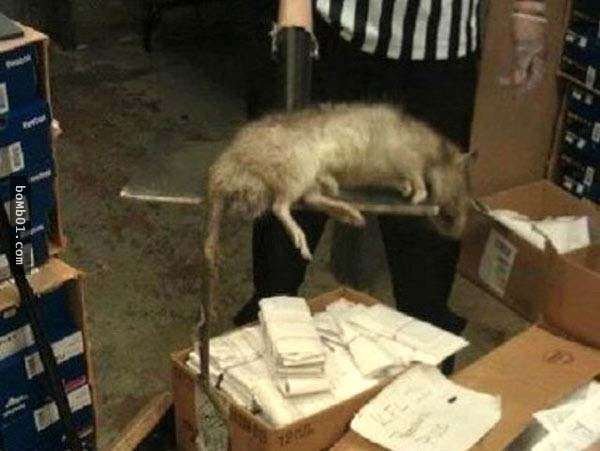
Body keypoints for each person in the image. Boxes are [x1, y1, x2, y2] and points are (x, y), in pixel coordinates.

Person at [238, 0, 548, 374]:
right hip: (333, 35)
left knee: (426, 267)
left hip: (440, 53)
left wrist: (529, 11)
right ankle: (257, 363)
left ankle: (426, 387)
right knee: (285, 237)